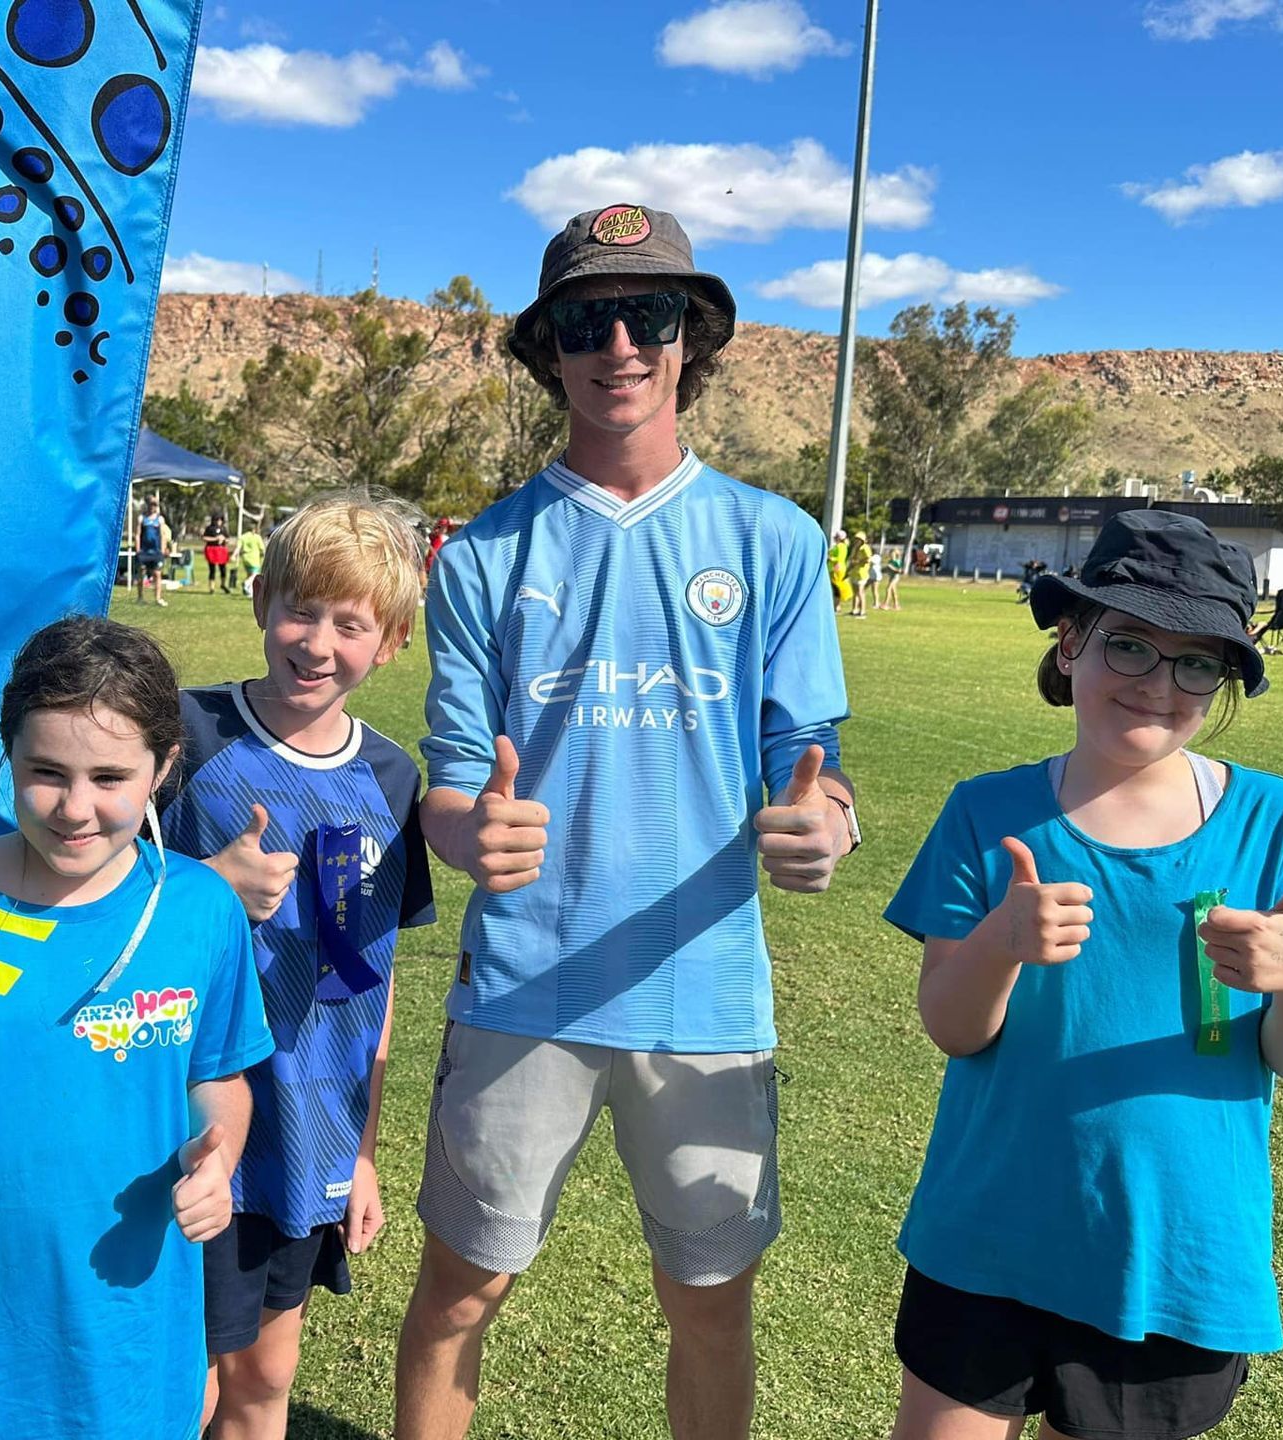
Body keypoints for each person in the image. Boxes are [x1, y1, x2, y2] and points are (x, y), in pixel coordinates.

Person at [396, 203, 859, 1440]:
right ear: (548, 345)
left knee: (709, 1305)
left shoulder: (773, 539)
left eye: (646, 314)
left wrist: (830, 825)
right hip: (522, 984)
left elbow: (811, 761)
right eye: (585, 320)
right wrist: (462, 833)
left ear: (687, 339)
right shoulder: (483, 555)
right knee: (458, 1295)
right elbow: (450, 779)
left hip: (704, 990)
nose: (617, 344)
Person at [883, 510, 1283, 1440]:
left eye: (1196, 663)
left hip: (1174, 1253)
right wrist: (998, 943)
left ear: (1223, 680)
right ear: (1071, 642)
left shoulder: (1276, 822)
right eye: (1132, 646)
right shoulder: (989, 813)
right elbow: (952, 1026)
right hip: (988, 1234)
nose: (1158, 685)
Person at [0, 616, 275, 1440]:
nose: (76, 809)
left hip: (133, 1333)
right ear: (7, 752)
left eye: (111, 776)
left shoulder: (199, 909)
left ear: (163, 769)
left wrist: (220, 1156)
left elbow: (217, 1078)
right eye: (45, 772)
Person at [163, 493, 437, 1440]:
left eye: (350, 623)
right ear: (258, 601)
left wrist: (360, 1154)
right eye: (301, 609)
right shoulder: (184, 733)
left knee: (265, 1377)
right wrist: (206, 886)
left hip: (308, 1130)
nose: (318, 642)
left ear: (391, 641)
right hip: (184, 1117)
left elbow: (375, 977)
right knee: (171, 1379)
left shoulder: (394, 780)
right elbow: (87, 894)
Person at [137, 493, 170, 606]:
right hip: (144, 551)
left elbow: (163, 535)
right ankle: (140, 597)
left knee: (157, 574)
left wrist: (163, 549)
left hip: (156, 551)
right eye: (151, 505)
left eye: (155, 505)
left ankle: (158, 598)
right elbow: (138, 534)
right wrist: (138, 549)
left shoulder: (160, 519)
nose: (153, 507)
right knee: (141, 573)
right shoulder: (142, 518)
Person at [236, 520, 267, 597]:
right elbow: (262, 549)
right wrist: (264, 555)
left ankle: (248, 591)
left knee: (249, 574)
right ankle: (246, 583)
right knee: (255, 574)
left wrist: (234, 555)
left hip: (245, 558)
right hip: (254, 558)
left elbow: (238, 547)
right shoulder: (257, 537)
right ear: (254, 529)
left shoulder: (242, 537)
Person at [204, 511, 232, 594]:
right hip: (212, 549)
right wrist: (216, 539)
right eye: (217, 520)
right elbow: (205, 538)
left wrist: (224, 539)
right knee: (212, 569)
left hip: (221, 550)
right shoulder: (209, 528)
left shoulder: (223, 528)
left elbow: (228, 539)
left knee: (223, 569)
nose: (219, 522)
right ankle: (211, 587)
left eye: (220, 520)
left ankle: (223, 584)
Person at [847, 531, 872, 618]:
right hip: (854, 572)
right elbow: (851, 560)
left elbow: (868, 559)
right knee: (855, 592)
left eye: (859, 539)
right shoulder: (855, 548)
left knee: (860, 592)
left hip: (862, 572)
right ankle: (854, 609)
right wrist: (848, 570)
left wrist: (858, 562)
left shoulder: (865, 548)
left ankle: (862, 611)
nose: (857, 541)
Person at [829, 528, 849, 612]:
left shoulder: (840, 546)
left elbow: (839, 558)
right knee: (834, 588)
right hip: (835, 569)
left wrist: (830, 558)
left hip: (837, 569)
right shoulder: (840, 546)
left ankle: (837, 606)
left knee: (836, 588)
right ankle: (836, 605)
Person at [881, 544, 905, 611]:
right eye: (890, 554)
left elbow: (900, 571)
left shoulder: (897, 561)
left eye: (892, 554)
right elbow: (887, 569)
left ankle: (886, 604)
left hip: (895, 577)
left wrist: (892, 568)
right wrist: (883, 570)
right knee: (893, 591)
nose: (891, 555)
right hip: (891, 577)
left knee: (888, 589)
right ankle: (896, 605)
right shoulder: (890, 561)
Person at [867, 542, 885, 610]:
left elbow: (870, 561)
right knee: (864, 588)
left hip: (876, 576)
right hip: (870, 576)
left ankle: (876, 603)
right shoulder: (872, 557)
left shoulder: (876, 557)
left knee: (875, 590)